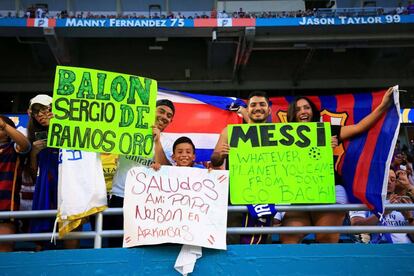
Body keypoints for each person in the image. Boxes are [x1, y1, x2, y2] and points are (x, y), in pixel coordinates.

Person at [280, 87, 394, 244]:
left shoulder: (328, 131)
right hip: (300, 195)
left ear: (313, 111)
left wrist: (384, 105)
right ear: (292, 113)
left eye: (306, 107)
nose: (303, 111)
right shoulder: (281, 136)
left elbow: (360, 127)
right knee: (287, 238)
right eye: (298, 109)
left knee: (326, 240)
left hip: (330, 191)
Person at [107, 99, 176, 247]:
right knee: (116, 244)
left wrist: (157, 141)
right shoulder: (127, 131)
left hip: (150, 201)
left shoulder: (169, 142)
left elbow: (166, 169)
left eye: (169, 115)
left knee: (144, 246)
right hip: (121, 195)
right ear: (152, 111)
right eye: (161, 111)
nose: (164, 117)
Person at [211, 91, 273, 244]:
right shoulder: (230, 132)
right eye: (253, 105)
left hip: (266, 194)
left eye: (262, 104)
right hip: (236, 194)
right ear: (247, 109)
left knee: (262, 243)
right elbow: (215, 161)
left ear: (269, 110)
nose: (257, 108)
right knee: (233, 241)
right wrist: (221, 154)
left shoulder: (279, 134)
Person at [350, 169, 414, 243]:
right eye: (385, 178)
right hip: (379, 250)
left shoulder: (405, 202)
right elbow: (356, 226)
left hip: (406, 250)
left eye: (392, 179)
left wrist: (409, 217)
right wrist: (384, 212)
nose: (389, 182)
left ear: (396, 183)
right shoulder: (364, 200)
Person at [0, 115, 31, 251]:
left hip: (5, 208)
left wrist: (5, 126)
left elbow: (26, 145)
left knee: (4, 257)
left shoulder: (12, 149)